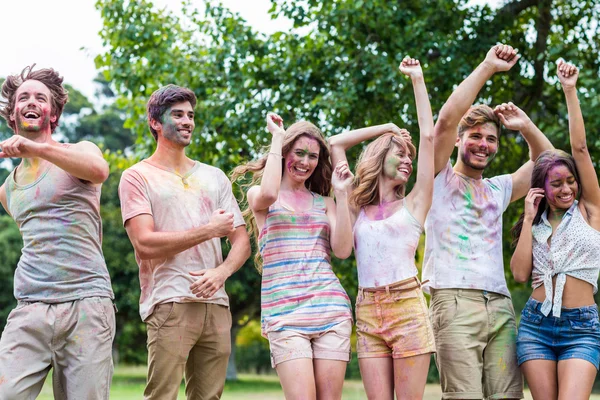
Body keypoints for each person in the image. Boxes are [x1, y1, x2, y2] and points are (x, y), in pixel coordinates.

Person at [423, 44, 554, 399]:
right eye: (476, 136)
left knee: (508, 397)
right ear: (459, 142)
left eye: (491, 139)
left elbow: (549, 162)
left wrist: (525, 126)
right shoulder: (437, 179)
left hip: (499, 306)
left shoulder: (499, 188)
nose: (484, 144)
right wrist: (487, 67)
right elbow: (446, 120)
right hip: (452, 299)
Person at [118, 84, 250, 400]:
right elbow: (145, 243)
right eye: (177, 114)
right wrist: (208, 230)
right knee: (161, 395)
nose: (187, 121)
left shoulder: (214, 177)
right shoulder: (137, 176)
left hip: (216, 304)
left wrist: (222, 273)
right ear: (155, 122)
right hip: (169, 301)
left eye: (190, 115)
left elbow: (242, 240)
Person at [0, 65, 115, 399]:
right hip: (30, 305)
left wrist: (35, 148)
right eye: (24, 97)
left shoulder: (80, 151)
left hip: (86, 304)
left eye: (40, 97)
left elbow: (99, 171)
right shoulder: (8, 190)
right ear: (14, 113)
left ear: (53, 113)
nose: (31, 101)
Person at [328, 56, 435, 399]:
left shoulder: (415, 202)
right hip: (367, 310)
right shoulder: (354, 204)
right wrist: (387, 128)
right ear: (380, 157)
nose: (407, 160)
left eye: (410, 156)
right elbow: (335, 144)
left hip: (407, 305)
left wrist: (417, 80)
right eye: (400, 153)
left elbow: (430, 137)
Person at [232, 113, 354, 400]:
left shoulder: (324, 203)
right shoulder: (260, 197)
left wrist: (342, 195)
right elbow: (270, 191)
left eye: (312, 156)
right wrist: (277, 136)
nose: (305, 162)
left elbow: (343, 250)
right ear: (284, 153)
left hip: (331, 310)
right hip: (285, 315)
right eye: (298, 153)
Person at [510, 61, 600, 399]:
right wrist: (529, 219)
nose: (566, 189)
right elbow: (520, 274)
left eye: (570, 181)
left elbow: (580, 148)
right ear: (542, 189)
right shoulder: (536, 223)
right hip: (535, 326)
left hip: (581, 327)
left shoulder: (590, 211)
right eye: (556, 184)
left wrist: (570, 90)